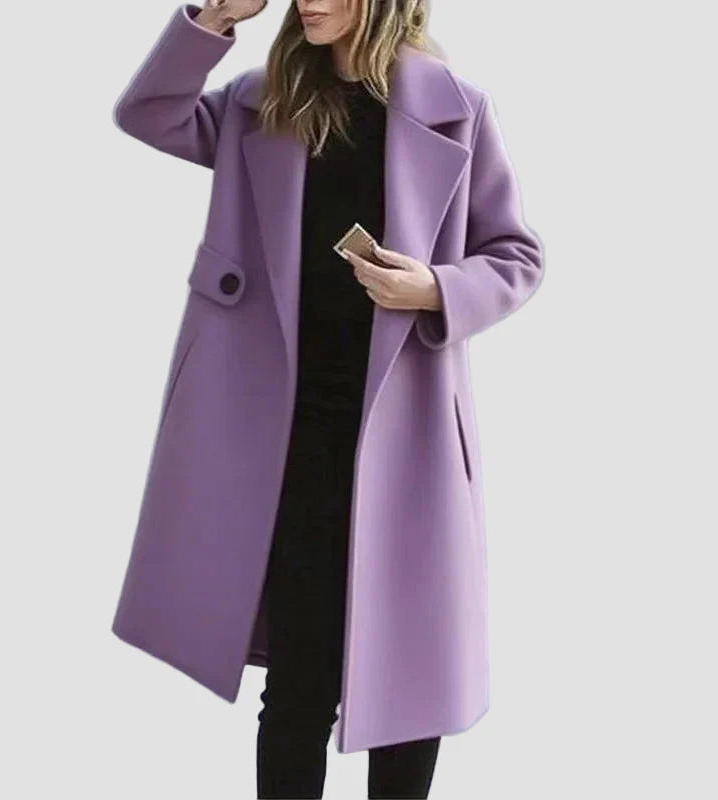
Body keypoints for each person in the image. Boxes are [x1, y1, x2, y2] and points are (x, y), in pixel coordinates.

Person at [111, 2, 543, 798]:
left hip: (404, 438)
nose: (307, 0)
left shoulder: (458, 110)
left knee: (411, 688)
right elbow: (149, 112)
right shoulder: (261, 103)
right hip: (285, 443)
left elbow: (516, 254)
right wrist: (215, 16)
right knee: (300, 684)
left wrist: (436, 288)